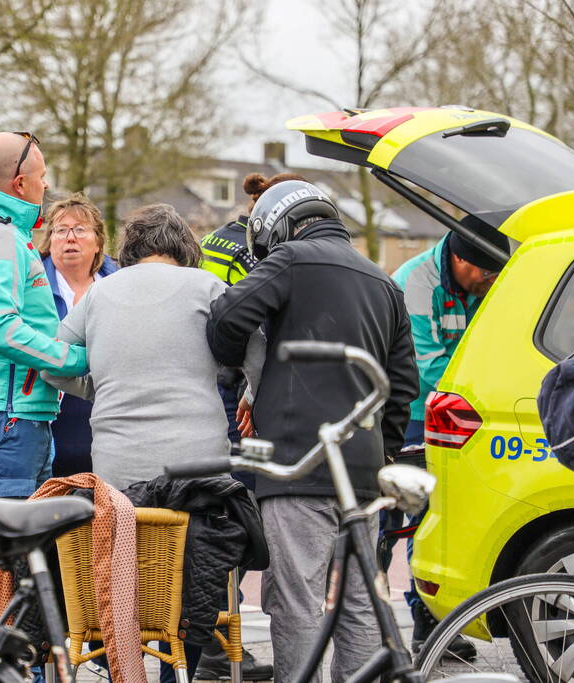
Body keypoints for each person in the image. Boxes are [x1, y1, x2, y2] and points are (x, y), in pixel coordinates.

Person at [207, 181, 419, 683]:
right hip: (362, 476)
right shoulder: (384, 282)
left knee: (297, 599)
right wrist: (381, 457)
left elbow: (224, 322)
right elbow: (402, 384)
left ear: (278, 224)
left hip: (296, 466)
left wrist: (247, 371)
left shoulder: (288, 261)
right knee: (360, 603)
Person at [43, 203, 264, 683]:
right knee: (197, 575)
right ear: (186, 248)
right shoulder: (207, 287)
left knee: (133, 575)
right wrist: (250, 392)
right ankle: (179, 670)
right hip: (199, 471)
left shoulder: (99, 294)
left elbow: (53, 364)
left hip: (118, 476)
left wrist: (99, 385)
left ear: (129, 249)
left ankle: (121, 663)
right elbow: (258, 346)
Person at [0, 132, 89, 635]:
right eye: (44, 176)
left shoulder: (1, 233)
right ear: (22, 181)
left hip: (7, 420)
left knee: (10, 569)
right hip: (5, 423)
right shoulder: (0, 236)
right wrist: (74, 359)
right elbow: (0, 327)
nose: (48, 186)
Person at [389, 216, 509, 654]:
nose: (491, 280)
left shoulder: (482, 280)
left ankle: (435, 626)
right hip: (410, 415)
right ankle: (400, 630)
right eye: (486, 272)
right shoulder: (415, 285)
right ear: (459, 258)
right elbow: (427, 369)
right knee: (413, 519)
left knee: (445, 520)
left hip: (460, 409)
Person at [197, 172, 297, 680]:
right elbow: (249, 323)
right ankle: (221, 651)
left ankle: (220, 647)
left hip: (213, 390)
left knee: (224, 517)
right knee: (237, 521)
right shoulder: (256, 249)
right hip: (237, 396)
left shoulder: (218, 238)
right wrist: (250, 388)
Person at [39, 193, 118, 477]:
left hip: (108, 414)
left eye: (80, 229)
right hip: (49, 415)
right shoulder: (31, 287)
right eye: (61, 230)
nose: (70, 238)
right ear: (50, 240)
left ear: (98, 242)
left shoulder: (120, 284)